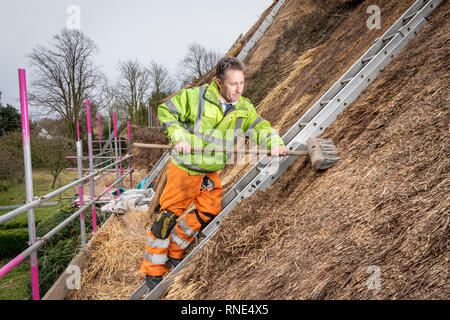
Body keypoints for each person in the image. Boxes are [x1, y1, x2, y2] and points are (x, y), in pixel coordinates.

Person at [139, 56, 287, 289]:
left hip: (209, 171)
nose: (238, 89)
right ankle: (153, 270)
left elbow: (260, 128)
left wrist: (274, 143)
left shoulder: (243, 107)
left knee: (209, 209)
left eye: (241, 83)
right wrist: (179, 137)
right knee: (166, 218)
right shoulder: (196, 98)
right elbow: (166, 112)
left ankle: (176, 249)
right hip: (185, 169)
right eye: (233, 84)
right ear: (219, 83)